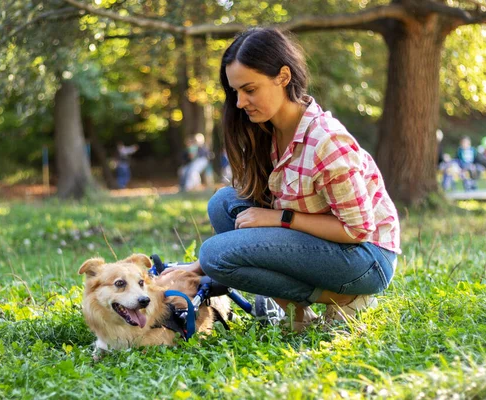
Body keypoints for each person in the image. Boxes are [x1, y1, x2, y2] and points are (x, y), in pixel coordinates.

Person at [163, 28, 400, 331]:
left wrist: (280, 218)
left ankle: (345, 298)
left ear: (283, 77)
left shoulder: (327, 142)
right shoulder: (267, 131)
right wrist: (193, 269)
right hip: (321, 240)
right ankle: (297, 317)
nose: (239, 102)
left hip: (365, 258)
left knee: (214, 254)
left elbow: (357, 229)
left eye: (249, 89)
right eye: (235, 92)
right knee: (223, 204)